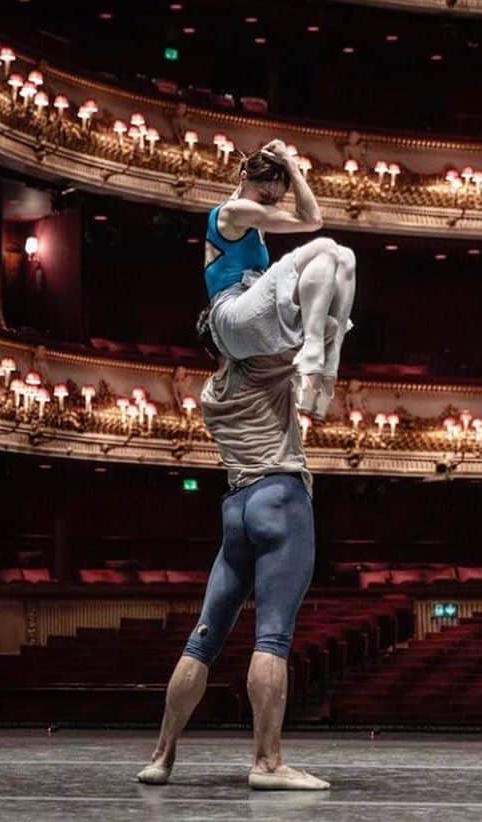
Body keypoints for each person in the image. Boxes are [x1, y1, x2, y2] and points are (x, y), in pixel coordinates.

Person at [135, 138, 354, 791]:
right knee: (275, 637)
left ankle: (162, 756)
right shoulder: (264, 366)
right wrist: (319, 351)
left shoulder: (215, 393)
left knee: (204, 637)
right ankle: (268, 762)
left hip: (235, 507)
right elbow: (319, 259)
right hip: (282, 500)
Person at [201, 139, 355, 419]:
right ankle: (312, 356)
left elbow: (308, 219)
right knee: (325, 247)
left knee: (345, 258)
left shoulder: (254, 217)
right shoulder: (232, 212)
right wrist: (292, 167)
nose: (270, 206)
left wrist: (289, 168)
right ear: (243, 177)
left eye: (275, 200)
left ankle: (326, 373)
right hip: (230, 315)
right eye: (264, 197)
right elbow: (312, 220)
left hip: (254, 312)